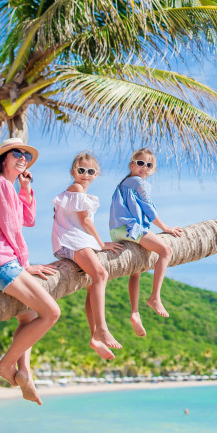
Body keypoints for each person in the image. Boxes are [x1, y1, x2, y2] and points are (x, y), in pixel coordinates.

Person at [0, 138, 60, 405]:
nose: (23, 158)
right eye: (17, 154)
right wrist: (25, 265)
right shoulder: (0, 185)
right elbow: (12, 229)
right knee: (52, 312)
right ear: (3, 159)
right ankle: (6, 364)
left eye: (26, 156)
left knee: (28, 317)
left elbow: (27, 220)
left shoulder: (3, 186)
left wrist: (26, 186)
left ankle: (25, 373)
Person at [51, 152, 123, 360]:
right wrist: (102, 245)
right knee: (100, 274)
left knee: (92, 286)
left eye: (90, 171)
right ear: (73, 171)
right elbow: (85, 222)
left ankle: (95, 338)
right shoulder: (76, 189)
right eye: (81, 170)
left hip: (76, 240)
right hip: (72, 240)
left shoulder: (83, 194)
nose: (85, 174)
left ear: (97, 174)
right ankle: (101, 328)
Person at [109, 148, 182, 337]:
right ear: (131, 165)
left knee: (136, 271)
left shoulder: (123, 183)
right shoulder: (137, 182)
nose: (144, 167)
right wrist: (165, 227)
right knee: (165, 251)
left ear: (153, 170)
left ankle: (135, 313)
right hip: (130, 228)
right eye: (140, 163)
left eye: (149, 165)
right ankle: (155, 297)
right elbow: (148, 208)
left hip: (116, 231)